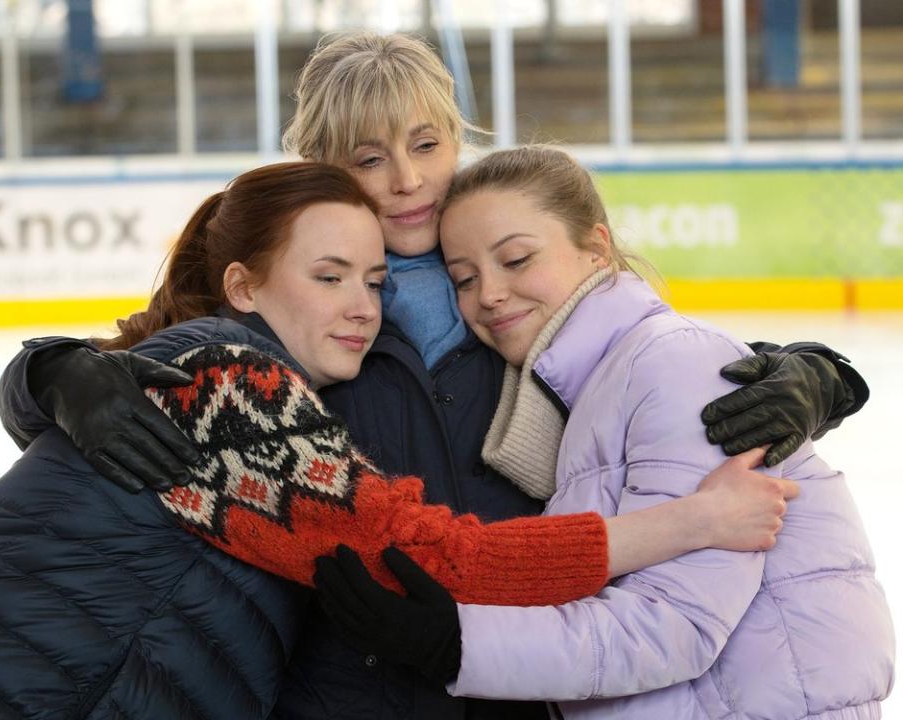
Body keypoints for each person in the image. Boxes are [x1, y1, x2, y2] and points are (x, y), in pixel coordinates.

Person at [0, 32, 869, 720]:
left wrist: (819, 374)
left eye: (427, 144)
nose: (408, 181)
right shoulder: (301, 309)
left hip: (529, 686)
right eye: (369, 160)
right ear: (326, 168)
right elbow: (160, 366)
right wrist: (51, 373)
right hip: (343, 694)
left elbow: (654, 359)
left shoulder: (518, 299)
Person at [315, 146, 895, 719]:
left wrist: (455, 643)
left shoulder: (668, 366)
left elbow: (675, 626)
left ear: (596, 248)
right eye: (464, 280)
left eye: (516, 260)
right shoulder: (568, 400)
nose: (488, 294)